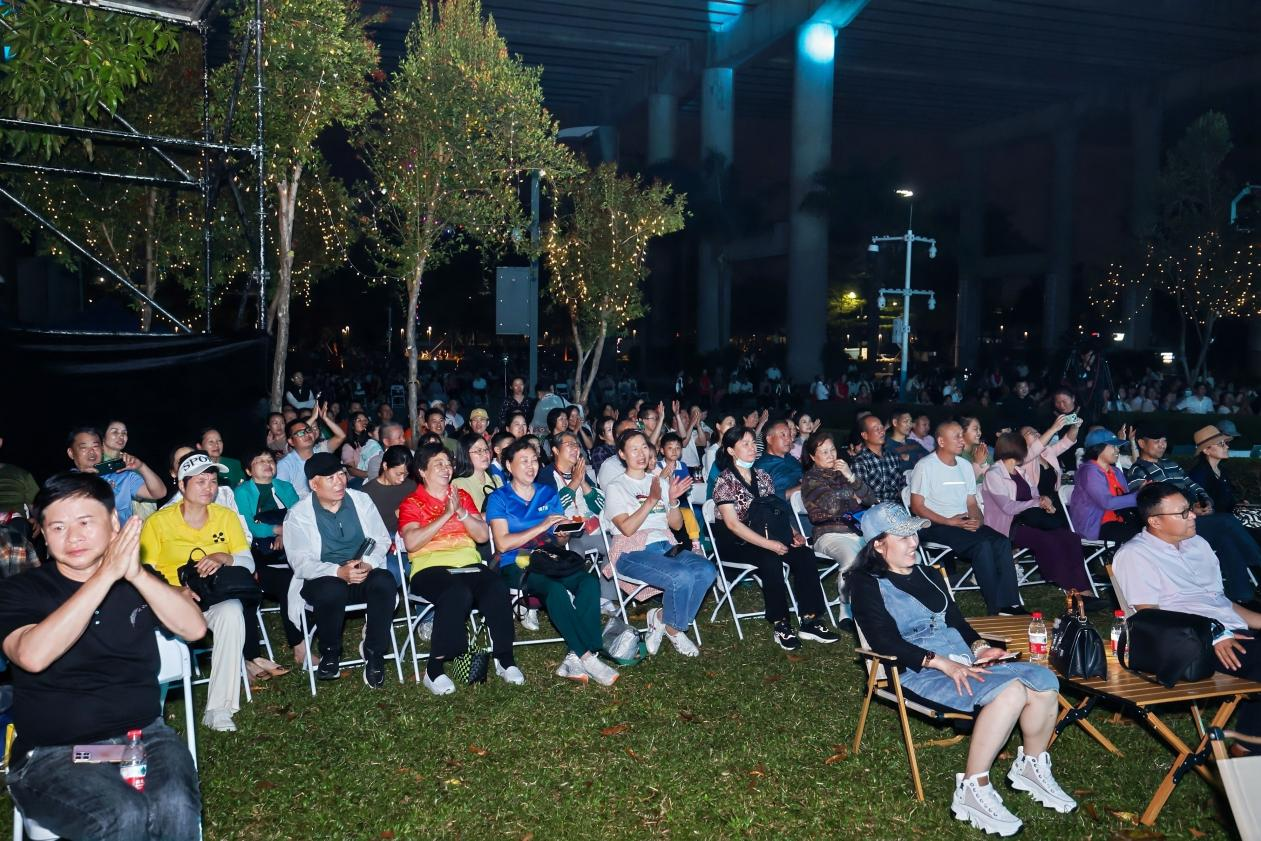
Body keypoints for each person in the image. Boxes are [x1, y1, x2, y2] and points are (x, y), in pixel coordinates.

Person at [0, 473, 206, 841]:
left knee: (174, 805)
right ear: (44, 535)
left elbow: (194, 629)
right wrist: (104, 577)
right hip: (56, 752)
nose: (73, 537)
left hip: (139, 740)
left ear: (114, 524)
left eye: (85, 522)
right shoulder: (22, 591)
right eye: (58, 527)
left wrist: (137, 574)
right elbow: (30, 656)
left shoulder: (138, 581)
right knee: (122, 814)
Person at [847, 503, 1073, 836]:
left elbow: (956, 622)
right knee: (1011, 693)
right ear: (878, 544)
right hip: (916, 670)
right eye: (903, 536)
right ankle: (972, 788)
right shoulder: (865, 584)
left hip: (962, 662)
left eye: (914, 534)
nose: (914, 543)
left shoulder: (925, 572)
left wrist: (980, 647)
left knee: (1042, 679)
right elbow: (884, 641)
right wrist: (940, 662)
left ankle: (1031, 766)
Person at [1114, 482, 1261, 751]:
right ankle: (1247, 746)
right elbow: (1149, 617)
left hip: (1227, 629)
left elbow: (1219, 602)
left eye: (1189, 509)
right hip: (1187, 643)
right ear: (1156, 521)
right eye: (1182, 513)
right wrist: (1213, 633)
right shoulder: (1135, 555)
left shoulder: (1197, 544)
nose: (1193, 515)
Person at [138, 452, 260, 731]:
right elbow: (143, 571)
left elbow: (246, 560)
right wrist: (173, 591)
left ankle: (219, 709)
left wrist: (223, 557)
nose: (209, 488)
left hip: (213, 597)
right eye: (200, 481)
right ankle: (150, 712)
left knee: (232, 612)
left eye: (213, 481)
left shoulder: (225, 517)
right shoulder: (159, 522)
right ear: (182, 486)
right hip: (172, 601)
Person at [486, 438, 619, 686]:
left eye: (534, 460)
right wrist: (543, 524)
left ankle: (575, 656)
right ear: (508, 465)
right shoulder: (499, 498)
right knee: (554, 589)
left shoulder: (547, 493)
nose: (531, 466)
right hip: (516, 562)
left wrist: (562, 535)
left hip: (547, 557)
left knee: (589, 582)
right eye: (523, 461)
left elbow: (555, 540)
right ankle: (588, 656)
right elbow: (503, 543)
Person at [398, 445, 520, 695]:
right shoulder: (412, 502)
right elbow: (411, 542)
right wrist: (445, 515)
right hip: (429, 567)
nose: (446, 468)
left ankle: (504, 658)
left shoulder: (461, 495)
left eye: (448, 463)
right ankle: (434, 670)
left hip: (468, 563)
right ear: (422, 471)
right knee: (457, 593)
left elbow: (482, 536)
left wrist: (461, 511)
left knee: (497, 587)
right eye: (438, 464)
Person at [711, 426, 839, 650]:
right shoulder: (724, 481)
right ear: (731, 450)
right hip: (735, 541)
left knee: (804, 555)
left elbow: (775, 511)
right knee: (770, 559)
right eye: (745, 444)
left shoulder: (762, 477)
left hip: (768, 533)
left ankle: (809, 620)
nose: (752, 448)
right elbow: (732, 524)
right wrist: (769, 544)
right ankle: (781, 624)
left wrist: (793, 534)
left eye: (753, 443)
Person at [281, 453, 395, 687]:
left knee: (384, 580)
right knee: (331, 589)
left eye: (341, 475)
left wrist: (369, 563)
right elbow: (299, 561)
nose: (340, 482)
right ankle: (331, 652)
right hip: (322, 577)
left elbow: (382, 539)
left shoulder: (361, 501)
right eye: (330, 478)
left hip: (362, 571)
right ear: (314, 484)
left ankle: (374, 653)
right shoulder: (298, 515)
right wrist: (337, 572)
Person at [603, 430, 716, 656]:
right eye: (634, 449)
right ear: (622, 454)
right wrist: (652, 500)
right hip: (631, 551)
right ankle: (675, 630)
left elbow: (675, 525)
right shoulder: (617, 487)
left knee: (706, 570)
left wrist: (672, 500)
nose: (641, 453)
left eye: (644, 447)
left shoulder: (658, 482)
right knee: (681, 575)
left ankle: (664, 621)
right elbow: (626, 528)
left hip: (666, 545)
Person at [1127, 423, 1261, 603]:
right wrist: (1190, 509)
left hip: (1190, 520)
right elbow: (1153, 504)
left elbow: (1194, 486)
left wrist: (1205, 503)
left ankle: (1243, 596)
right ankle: (1258, 563)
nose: (1162, 444)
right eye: (1157, 441)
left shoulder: (1171, 464)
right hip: (1169, 526)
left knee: (1226, 538)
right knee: (1226, 522)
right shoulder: (1138, 471)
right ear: (1142, 444)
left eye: (1164, 440)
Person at [909, 422, 1023, 616]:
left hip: (962, 522)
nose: (962, 440)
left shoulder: (964, 465)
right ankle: (995, 607)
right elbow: (917, 506)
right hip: (936, 525)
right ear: (941, 441)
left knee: (1002, 542)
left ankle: (1011, 604)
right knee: (982, 546)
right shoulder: (925, 466)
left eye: (962, 436)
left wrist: (977, 519)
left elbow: (971, 502)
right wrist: (949, 521)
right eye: (957, 437)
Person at [982, 433, 1098, 602]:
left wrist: (1044, 502)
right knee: (1047, 540)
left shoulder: (1020, 472)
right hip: (1008, 526)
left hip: (1029, 520)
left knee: (1070, 538)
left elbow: (1034, 495)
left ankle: (1084, 588)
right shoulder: (994, 474)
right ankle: (1070, 589)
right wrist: (1034, 503)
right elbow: (1007, 507)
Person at [234, 448, 303, 667]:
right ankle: (299, 646)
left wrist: (285, 532)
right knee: (288, 584)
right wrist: (278, 530)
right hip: (258, 554)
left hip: (292, 547)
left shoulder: (286, 487)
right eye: (260, 460)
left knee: (308, 577)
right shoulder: (242, 492)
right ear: (248, 469)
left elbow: (299, 518)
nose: (267, 464)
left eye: (270, 460)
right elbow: (248, 526)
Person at [799, 430, 876, 593]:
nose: (830, 455)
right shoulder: (811, 479)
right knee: (852, 561)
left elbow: (870, 499)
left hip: (859, 530)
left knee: (888, 555)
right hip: (830, 534)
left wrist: (851, 476)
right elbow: (833, 506)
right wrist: (853, 495)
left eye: (832, 450)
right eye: (824, 452)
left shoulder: (843, 472)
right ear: (813, 457)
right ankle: (846, 614)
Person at [66, 426, 166, 524]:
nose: (91, 451)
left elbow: (159, 493)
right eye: (83, 448)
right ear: (71, 453)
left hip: (121, 539)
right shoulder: (64, 483)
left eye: (95, 446)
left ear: (102, 449)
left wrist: (141, 467)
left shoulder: (122, 476)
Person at [1069, 428, 1140, 542]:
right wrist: (1138, 496)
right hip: (1097, 526)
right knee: (1141, 536)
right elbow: (1106, 502)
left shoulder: (1116, 471)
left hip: (1120, 521)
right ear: (1097, 449)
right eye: (1113, 446)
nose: (1117, 450)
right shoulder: (1089, 471)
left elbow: (1126, 498)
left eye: (1117, 447)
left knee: (1155, 529)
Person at [361, 445, 418, 587]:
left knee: (422, 571)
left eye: (405, 474)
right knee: (392, 573)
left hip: (411, 541)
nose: (401, 479)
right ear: (385, 466)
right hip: (384, 546)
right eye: (398, 474)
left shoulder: (411, 486)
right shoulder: (366, 493)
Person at [1188, 424, 1261, 534]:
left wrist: (1240, 504)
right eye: (1221, 444)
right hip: (1218, 523)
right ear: (1206, 450)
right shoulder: (1199, 474)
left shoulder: (1221, 471)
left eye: (1226, 443)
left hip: (1229, 519)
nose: (1227, 447)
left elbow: (1227, 501)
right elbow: (1203, 507)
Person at [275, 403, 346, 498]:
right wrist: (313, 417)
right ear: (291, 441)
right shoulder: (285, 465)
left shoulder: (321, 452)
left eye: (309, 431)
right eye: (300, 433)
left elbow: (341, 436)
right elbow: (282, 496)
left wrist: (325, 419)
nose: (306, 435)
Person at [851, 415, 909, 504]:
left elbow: (902, 487)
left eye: (882, 427)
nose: (882, 431)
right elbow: (862, 496)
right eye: (876, 429)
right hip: (873, 510)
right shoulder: (860, 462)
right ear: (865, 435)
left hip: (896, 508)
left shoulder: (893, 457)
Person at [753, 419, 803, 499]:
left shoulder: (792, 459)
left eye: (789, 435)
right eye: (783, 435)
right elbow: (764, 499)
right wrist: (797, 490)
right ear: (769, 439)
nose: (789, 439)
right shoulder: (760, 467)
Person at [958, 415, 991, 480]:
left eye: (980, 429)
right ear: (962, 431)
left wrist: (984, 463)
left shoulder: (981, 450)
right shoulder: (956, 456)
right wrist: (977, 463)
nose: (980, 433)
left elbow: (992, 478)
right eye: (975, 429)